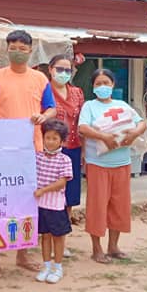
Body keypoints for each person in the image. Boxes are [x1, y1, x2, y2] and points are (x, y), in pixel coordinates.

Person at [0, 29, 57, 278]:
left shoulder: (40, 79)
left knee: (26, 203)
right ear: (6, 49)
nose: (17, 52)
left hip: (31, 150)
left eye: (22, 49)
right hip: (3, 151)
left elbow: (51, 109)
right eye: (13, 47)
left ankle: (22, 253)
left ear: (30, 51)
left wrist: (43, 117)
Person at [78, 68, 147, 264]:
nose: (102, 87)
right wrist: (103, 137)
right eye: (98, 84)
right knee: (97, 206)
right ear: (93, 87)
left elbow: (141, 122)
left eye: (106, 83)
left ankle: (113, 246)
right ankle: (97, 248)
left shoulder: (122, 105)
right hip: (98, 163)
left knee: (119, 205)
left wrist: (134, 134)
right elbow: (83, 128)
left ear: (113, 85)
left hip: (122, 163)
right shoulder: (89, 106)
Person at [34, 119, 74, 284]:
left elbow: (61, 183)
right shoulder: (38, 157)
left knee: (58, 236)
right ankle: (46, 266)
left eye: (54, 138)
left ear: (62, 141)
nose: (50, 142)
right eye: (47, 138)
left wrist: (43, 190)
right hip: (40, 205)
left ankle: (57, 267)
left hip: (56, 205)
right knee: (45, 236)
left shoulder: (64, 160)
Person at [47, 54, 85, 229]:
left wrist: (84, 149)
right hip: (51, 149)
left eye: (67, 70)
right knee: (52, 187)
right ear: (50, 69)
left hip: (74, 147)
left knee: (71, 188)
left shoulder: (77, 93)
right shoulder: (44, 91)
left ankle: (66, 225)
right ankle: (49, 227)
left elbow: (82, 121)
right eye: (59, 69)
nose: (63, 73)